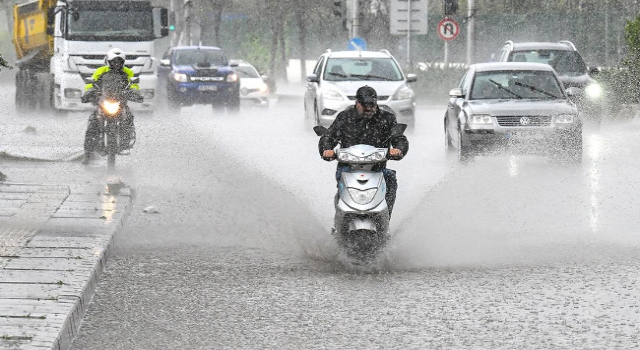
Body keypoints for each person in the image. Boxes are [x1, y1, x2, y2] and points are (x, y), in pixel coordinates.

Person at [318, 85, 409, 217]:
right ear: (357, 103)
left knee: (390, 179)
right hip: (347, 168)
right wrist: (326, 149)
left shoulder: (387, 118)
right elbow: (329, 137)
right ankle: (340, 217)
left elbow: (398, 138)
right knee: (342, 179)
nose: (368, 108)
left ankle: (385, 217)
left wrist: (399, 149)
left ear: (376, 103)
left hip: (377, 169)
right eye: (364, 104)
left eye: (371, 104)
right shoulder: (344, 117)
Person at [82, 48, 139, 164]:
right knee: (93, 122)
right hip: (104, 102)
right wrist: (89, 92)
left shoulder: (128, 72)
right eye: (114, 61)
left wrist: (135, 93)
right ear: (108, 61)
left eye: (119, 61)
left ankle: (125, 141)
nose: (116, 64)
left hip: (120, 102)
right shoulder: (101, 71)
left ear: (123, 62)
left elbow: (133, 85)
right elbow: (91, 83)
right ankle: (88, 152)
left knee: (128, 117)